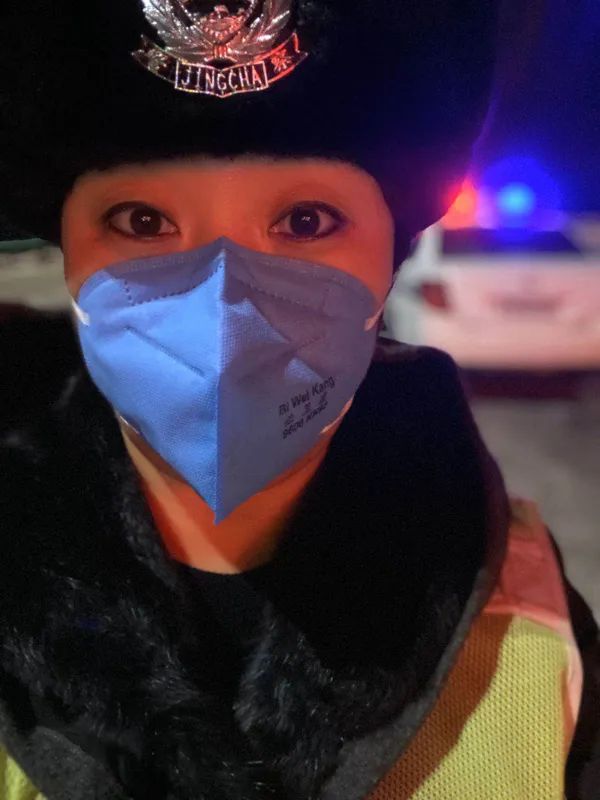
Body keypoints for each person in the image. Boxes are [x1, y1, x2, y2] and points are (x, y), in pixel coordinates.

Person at [0, 1, 598, 799]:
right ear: (68, 254)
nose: (224, 308)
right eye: (141, 220)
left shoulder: (531, 620)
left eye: (306, 220)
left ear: (390, 256)